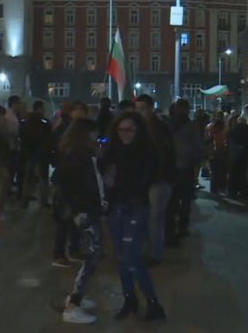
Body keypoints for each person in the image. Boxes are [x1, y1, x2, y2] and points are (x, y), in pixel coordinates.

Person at [103, 111, 166, 321]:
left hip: (135, 207)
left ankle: (154, 304)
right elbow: (104, 171)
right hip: (116, 207)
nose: (125, 134)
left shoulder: (146, 151)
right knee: (122, 258)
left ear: (138, 130)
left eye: (129, 129)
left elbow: (144, 180)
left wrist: (117, 183)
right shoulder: (112, 149)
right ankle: (130, 300)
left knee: (133, 258)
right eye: (121, 130)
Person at [57, 118, 105, 324]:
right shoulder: (79, 155)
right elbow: (79, 185)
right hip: (85, 209)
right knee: (92, 256)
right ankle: (73, 305)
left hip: (84, 208)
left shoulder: (75, 152)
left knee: (91, 256)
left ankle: (77, 297)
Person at [135, 94, 175, 263]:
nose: (140, 112)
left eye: (143, 108)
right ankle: (149, 250)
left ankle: (154, 254)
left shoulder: (158, 129)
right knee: (149, 217)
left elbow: (162, 156)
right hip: (148, 180)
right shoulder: (142, 127)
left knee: (155, 219)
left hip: (158, 180)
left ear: (151, 108)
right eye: (138, 109)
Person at [168, 99, 205, 241]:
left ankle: (170, 229)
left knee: (172, 201)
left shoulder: (168, 125)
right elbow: (198, 147)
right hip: (186, 167)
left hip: (171, 168)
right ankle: (182, 229)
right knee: (185, 200)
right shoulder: (191, 127)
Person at [20, 100, 52, 209]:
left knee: (27, 178)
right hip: (41, 154)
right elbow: (49, 137)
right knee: (43, 178)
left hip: (29, 153)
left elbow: (22, 136)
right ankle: (43, 201)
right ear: (40, 108)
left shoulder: (26, 121)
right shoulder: (44, 122)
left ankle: (24, 200)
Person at [227, 107, 248, 200]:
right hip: (245, 155)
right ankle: (244, 192)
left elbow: (230, 142)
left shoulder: (233, 131)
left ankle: (232, 191)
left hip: (234, 155)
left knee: (233, 174)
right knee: (243, 174)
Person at [5, 95, 22, 198]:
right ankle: (6, 190)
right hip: (11, 148)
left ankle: (8, 188)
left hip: (12, 147)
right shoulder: (10, 117)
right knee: (10, 170)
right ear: (14, 104)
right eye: (18, 104)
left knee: (11, 170)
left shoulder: (12, 116)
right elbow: (14, 133)